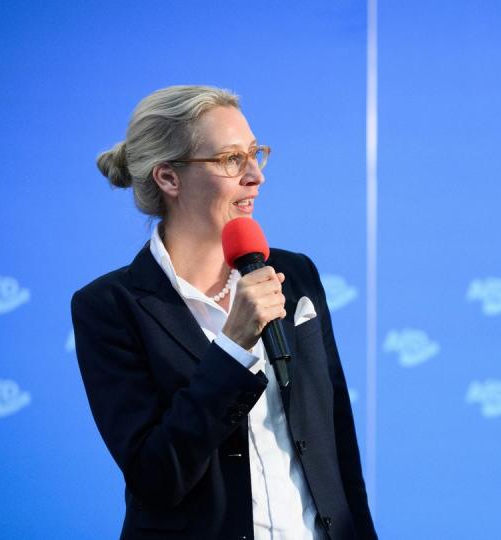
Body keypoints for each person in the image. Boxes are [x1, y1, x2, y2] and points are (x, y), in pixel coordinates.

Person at [72, 85, 376, 540]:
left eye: (256, 153)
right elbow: (157, 476)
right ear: (169, 178)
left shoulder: (294, 273)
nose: (255, 175)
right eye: (231, 159)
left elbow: (337, 442)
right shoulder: (110, 306)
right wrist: (233, 347)